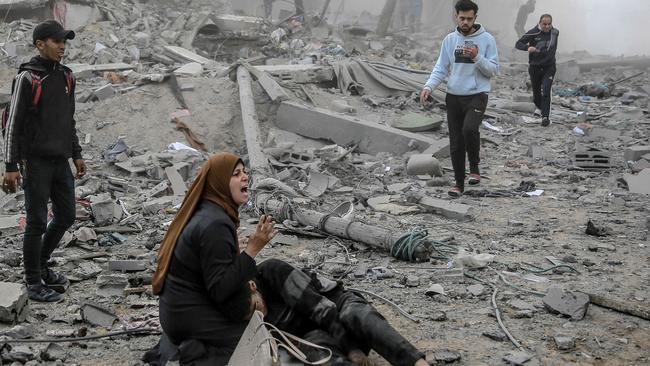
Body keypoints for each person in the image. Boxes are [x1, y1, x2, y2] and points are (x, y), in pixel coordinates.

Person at [151, 153, 278, 365]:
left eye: (244, 172)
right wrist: (252, 250)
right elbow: (220, 289)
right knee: (255, 340)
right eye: (236, 174)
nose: (245, 177)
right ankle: (190, 354)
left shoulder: (210, 211)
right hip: (188, 314)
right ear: (219, 182)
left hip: (177, 309)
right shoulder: (215, 224)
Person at [2, 20, 86, 302]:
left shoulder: (67, 76)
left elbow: (68, 120)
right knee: (37, 221)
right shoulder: (28, 78)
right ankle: (33, 281)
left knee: (66, 216)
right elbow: (13, 124)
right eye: (56, 41)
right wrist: (11, 166)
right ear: (40, 44)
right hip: (34, 161)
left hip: (60, 160)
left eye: (64, 41)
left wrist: (76, 153)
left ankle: (42, 264)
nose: (62, 46)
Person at [221, 258, 430, 366]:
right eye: (250, 318)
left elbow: (323, 310)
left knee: (357, 315)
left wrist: (352, 349)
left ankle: (417, 362)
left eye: (255, 307)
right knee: (316, 355)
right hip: (319, 336)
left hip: (337, 309)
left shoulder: (272, 271)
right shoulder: (247, 316)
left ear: (252, 287)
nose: (259, 315)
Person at [419, 0, 499, 197]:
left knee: (469, 129)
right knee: (455, 142)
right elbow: (441, 67)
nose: (465, 22)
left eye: (469, 19)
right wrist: (429, 86)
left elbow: (493, 70)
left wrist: (477, 57)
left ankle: (474, 166)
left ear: (475, 18)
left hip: (477, 95)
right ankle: (459, 184)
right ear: (456, 16)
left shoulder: (487, 39)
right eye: (462, 18)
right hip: (454, 96)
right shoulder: (449, 40)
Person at [515, 14, 559, 127]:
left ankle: (545, 117)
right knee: (536, 94)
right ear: (539, 22)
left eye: (549, 24)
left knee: (546, 90)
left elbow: (552, 47)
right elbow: (518, 44)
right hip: (535, 67)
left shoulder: (555, 32)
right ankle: (539, 107)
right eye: (544, 24)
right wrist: (527, 48)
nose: (547, 26)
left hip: (549, 67)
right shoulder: (533, 32)